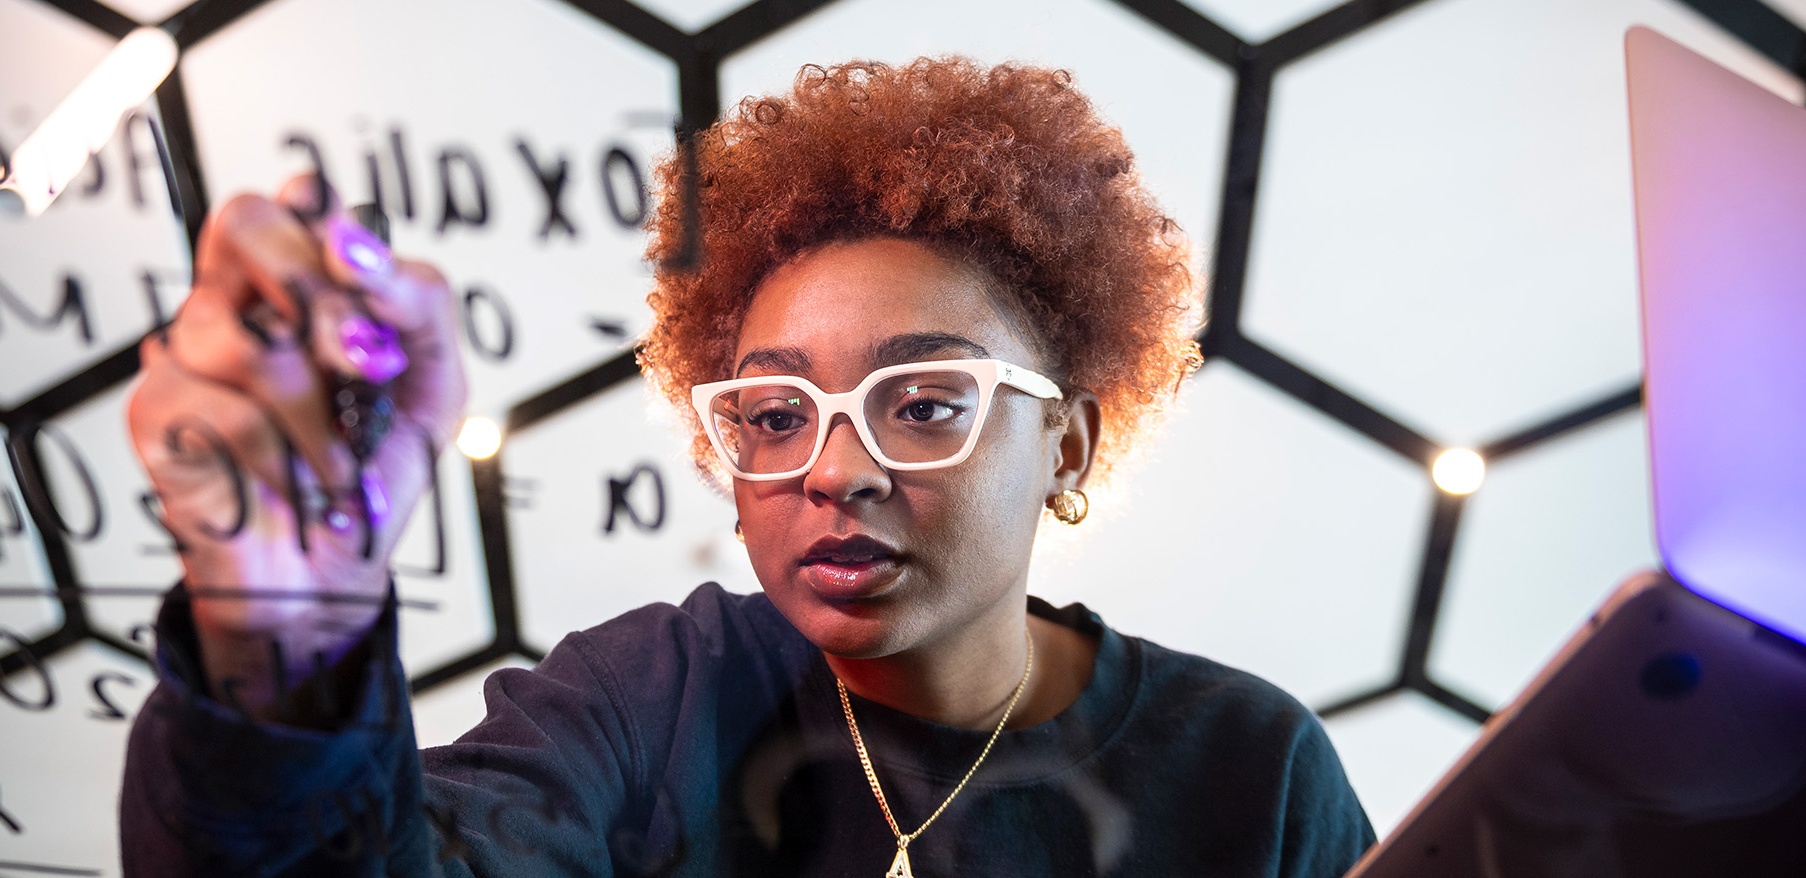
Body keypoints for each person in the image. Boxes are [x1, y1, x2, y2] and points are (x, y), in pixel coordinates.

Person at [119, 56, 1376, 876]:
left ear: (1068, 439)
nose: (834, 469)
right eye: (773, 414)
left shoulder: (1250, 769)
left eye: (923, 399)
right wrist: (285, 626)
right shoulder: (647, 698)